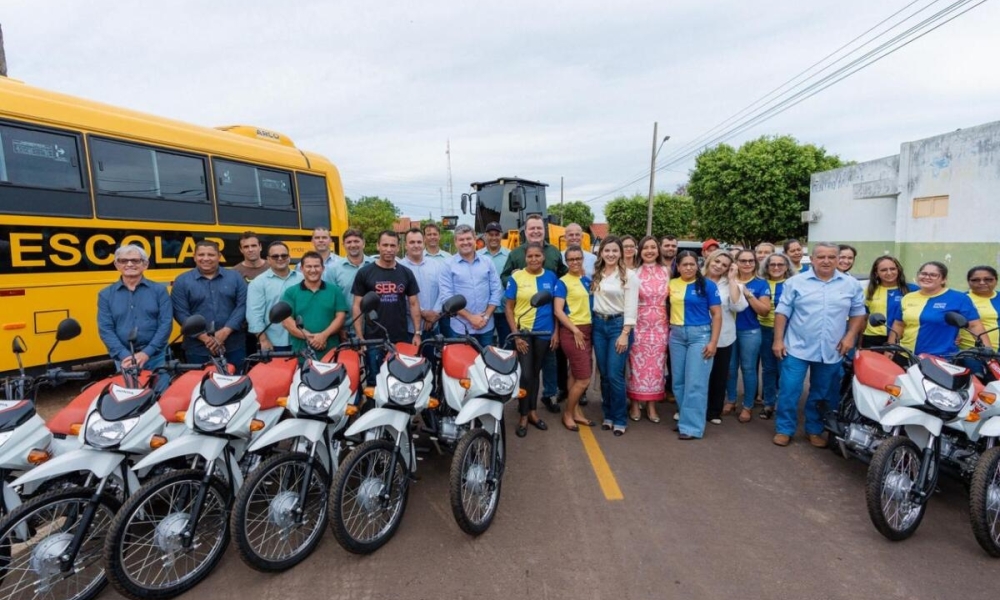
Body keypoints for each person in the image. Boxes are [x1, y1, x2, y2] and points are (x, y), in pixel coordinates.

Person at [771, 242, 866, 448]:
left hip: (832, 348)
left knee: (822, 393)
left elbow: (858, 312)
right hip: (796, 347)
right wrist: (778, 340)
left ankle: (814, 429)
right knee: (789, 389)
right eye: (821, 257)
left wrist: (850, 336)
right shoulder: (795, 282)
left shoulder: (850, 284)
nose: (826, 261)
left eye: (831, 257)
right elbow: (782, 312)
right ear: (812, 259)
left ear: (837, 259)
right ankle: (784, 429)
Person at [501, 214, 568, 412]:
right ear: (526, 231)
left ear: (544, 230)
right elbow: (505, 276)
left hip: (548, 321)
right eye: (532, 229)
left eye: (539, 228)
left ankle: (549, 395)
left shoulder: (555, 252)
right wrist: (515, 282)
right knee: (526, 369)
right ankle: (523, 400)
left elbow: (564, 277)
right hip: (525, 319)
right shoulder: (515, 254)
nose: (536, 232)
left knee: (550, 361)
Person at [505, 243, 559, 438]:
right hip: (524, 333)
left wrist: (556, 333)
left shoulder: (551, 277)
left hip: (544, 332)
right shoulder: (516, 277)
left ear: (543, 257)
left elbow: (556, 308)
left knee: (536, 373)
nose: (534, 259)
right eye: (530, 256)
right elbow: (509, 308)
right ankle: (523, 415)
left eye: (538, 256)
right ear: (525, 258)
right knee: (526, 375)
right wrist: (516, 334)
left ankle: (533, 412)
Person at [352, 231, 422, 382]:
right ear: (378, 246)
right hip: (373, 339)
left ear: (398, 248)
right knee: (374, 381)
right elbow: (357, 306)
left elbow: (414, 303)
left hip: (400, 338)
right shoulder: (364, 273)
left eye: (392, 245)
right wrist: (360, 337)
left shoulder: (406, 273)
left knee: (399, 380)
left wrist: (417, 332)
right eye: (385, 245)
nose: (389, 249)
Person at [669, 251, 722, 440]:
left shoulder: (707, 285)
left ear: (698, 265)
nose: (689, 267)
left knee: (696, 382)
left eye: (692, 264)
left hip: (699, 335)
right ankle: (685, 419)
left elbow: (717, 314)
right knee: (679, 381)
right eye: (685, 264)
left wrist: (713, 342)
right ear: (678, 266)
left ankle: (691, 427)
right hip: (676, 335)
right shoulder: (672, 284)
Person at [590, 236, 639, 436]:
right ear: (601, 252)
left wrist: (625, 334)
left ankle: (620, 418)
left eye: (614, 251)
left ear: (621, 253)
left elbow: (631, 306)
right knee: (604, 375)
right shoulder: (597, 274)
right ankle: (608, 414)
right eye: (607, 250)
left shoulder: (629, 275)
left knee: (615, 375)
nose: (610, 254)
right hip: (598, 325)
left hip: (619, 326)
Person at [172, 240, 248, 366]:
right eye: (201, 255)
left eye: (211, 255)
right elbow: (180, 313)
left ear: (219, 256)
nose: (206, 258)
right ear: (194, 257)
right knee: (201, 384)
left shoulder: (235, 277)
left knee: (237, 382)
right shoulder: (182, 281)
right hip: (197, 349)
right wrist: (205, 338)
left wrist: (224, 332)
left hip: (233, 345)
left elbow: (243, 306)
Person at [887, 261, 987, 357]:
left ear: (943, 279)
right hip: (906, 355)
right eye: (923, 274)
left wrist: (988, 352)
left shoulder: (959, 298)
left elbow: (974, 326)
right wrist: (890, 349)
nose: (927, 277)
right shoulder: (908, 298)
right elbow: (898, 325)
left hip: (941, 358)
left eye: (933, 275)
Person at [97, 245, 173, 371]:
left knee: (160, 390)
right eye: (124, 261)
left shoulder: (159, 291)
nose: (130, 264)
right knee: (128, 390)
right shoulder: (106, 294)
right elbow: (105, 329)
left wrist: (147, 353)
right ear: (117, 265)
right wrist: (124, 355)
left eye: (135, 260)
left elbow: (166, 324)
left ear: (145, 264)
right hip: (124, 360)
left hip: (155, 357)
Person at [627, 236, 671, 423]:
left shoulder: (666, 271)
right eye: (646, 248)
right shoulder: (633, 272)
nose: (650, 251)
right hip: (639, 325)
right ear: (640, 250)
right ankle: (635, 404)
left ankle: (652, 405)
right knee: (636, 366)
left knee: (657, 367)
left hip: (660, 326)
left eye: (653, 247)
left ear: (658, 250)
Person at [437, 225, 502, 347]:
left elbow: (496, 291)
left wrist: (486, 317)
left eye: (468, 239)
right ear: (455, 242)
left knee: (486, 364)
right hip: (460, 328)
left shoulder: (487, 262)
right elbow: (447, 298)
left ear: (475, 240)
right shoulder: (447, 265)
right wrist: (471, 318)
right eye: (461, 239)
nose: (465, 242)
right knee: (462, 364)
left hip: (486, 327)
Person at [726, 250, 771, 422]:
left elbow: (765, 311)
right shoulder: (727, 280)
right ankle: (730, 400)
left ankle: (747, 406)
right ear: (736, 262)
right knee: (730, 368)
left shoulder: (760, 283)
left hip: (749, 331)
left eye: (751, 261)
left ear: (755, 263)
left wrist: (747, 293)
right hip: (728, 330)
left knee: (748, 368)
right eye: (743, 261)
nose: (747, 264)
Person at [553, 245, 594, 431]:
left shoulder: (586, 280)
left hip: (588, 329)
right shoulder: (562, 282)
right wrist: (575, 330)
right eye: (571, 259)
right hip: (573, 331)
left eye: (578, 258)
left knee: (574, 374)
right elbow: (558, 311)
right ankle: (568, 413)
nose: (575, 262)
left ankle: (576, 411)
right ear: (566, 262)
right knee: (584, 378)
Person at [703, 250, 747, 425]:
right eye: (717, 261)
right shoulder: (696, 277)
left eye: (724, 265)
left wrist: (731, 280)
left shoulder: (731, 284)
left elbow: (738, 307)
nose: (719, 266)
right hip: (697, 333)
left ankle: (714, 411)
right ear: (710, 259)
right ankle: (693, 407)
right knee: (696, 374)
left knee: (719, 375)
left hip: (723, 336)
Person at [281, 251, 349, 356]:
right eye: (308, 266)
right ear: (301, 269)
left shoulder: (335, 291)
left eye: (317, 266)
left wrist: (323, 336)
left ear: (323, 268)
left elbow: (340, 317)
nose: (313, 270)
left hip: (331, 352)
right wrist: (310, 337)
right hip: (302, 354)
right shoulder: (290, 292)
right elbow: (287, 321)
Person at [247, 241, 304, 352]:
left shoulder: (302, 279)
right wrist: (263, 340)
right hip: (274, 343)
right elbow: (254, 315)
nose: (280, 258)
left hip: (301, 339)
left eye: (284, 255)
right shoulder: (258, 283)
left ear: (289, 258)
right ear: (268, 259)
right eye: (275, 256)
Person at [757, 252, 792, 420]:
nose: (776, 268)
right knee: (768, 369)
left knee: (784, 369)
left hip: (787, 332)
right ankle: (768, 403)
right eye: (772, 264)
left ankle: (782, 404)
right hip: (763, 329)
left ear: (787, 267)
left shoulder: (792, 284)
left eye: (780, 264)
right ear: (767, 267)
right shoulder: (761, 283)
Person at [398, 228, 447, 341]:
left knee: (433, 359)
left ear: (424, 243)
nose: (416, 245)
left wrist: (434, 315)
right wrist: (424, 313)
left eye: (419, 242)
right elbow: (402, 297)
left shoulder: (436, 265)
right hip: (409, 330)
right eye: (412, 242)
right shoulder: (399, 268)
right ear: (405, 245)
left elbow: (442, 291)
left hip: (434, 327)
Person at [861, 256, 915, 348]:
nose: (889, 273)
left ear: (898, 270)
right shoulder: (868, 291)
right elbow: (864, 319)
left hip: (902, 339)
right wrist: (859, 341)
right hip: (872, 339)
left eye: (893, 269)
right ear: (876, 273)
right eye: (883, 270)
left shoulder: (913, 290)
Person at [478, 221, 511, 347]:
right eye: (490, 234)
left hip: (504, 309)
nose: (493, 238)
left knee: (506, 346)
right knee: (484, 347)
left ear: (501, 235)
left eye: (496, 234)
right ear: (485, 236)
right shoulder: (477, 256)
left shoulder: (509, 255)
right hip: (483, 311)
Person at [326, 228, 372, 317]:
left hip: (374, 325)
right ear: (343, 245)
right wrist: (339, 327)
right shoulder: (333, 269)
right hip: (346, 327)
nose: (353, 245)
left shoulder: (375, 265)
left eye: (356, 241)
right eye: (349, 242)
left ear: (363, 243)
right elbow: (330, 300)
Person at [959, 266, 1000, 352]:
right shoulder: (960, 300)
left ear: (996, 280)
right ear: (968, 282)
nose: (982, 283)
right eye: (975, 280)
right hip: (974, 353)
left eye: (988, 279)